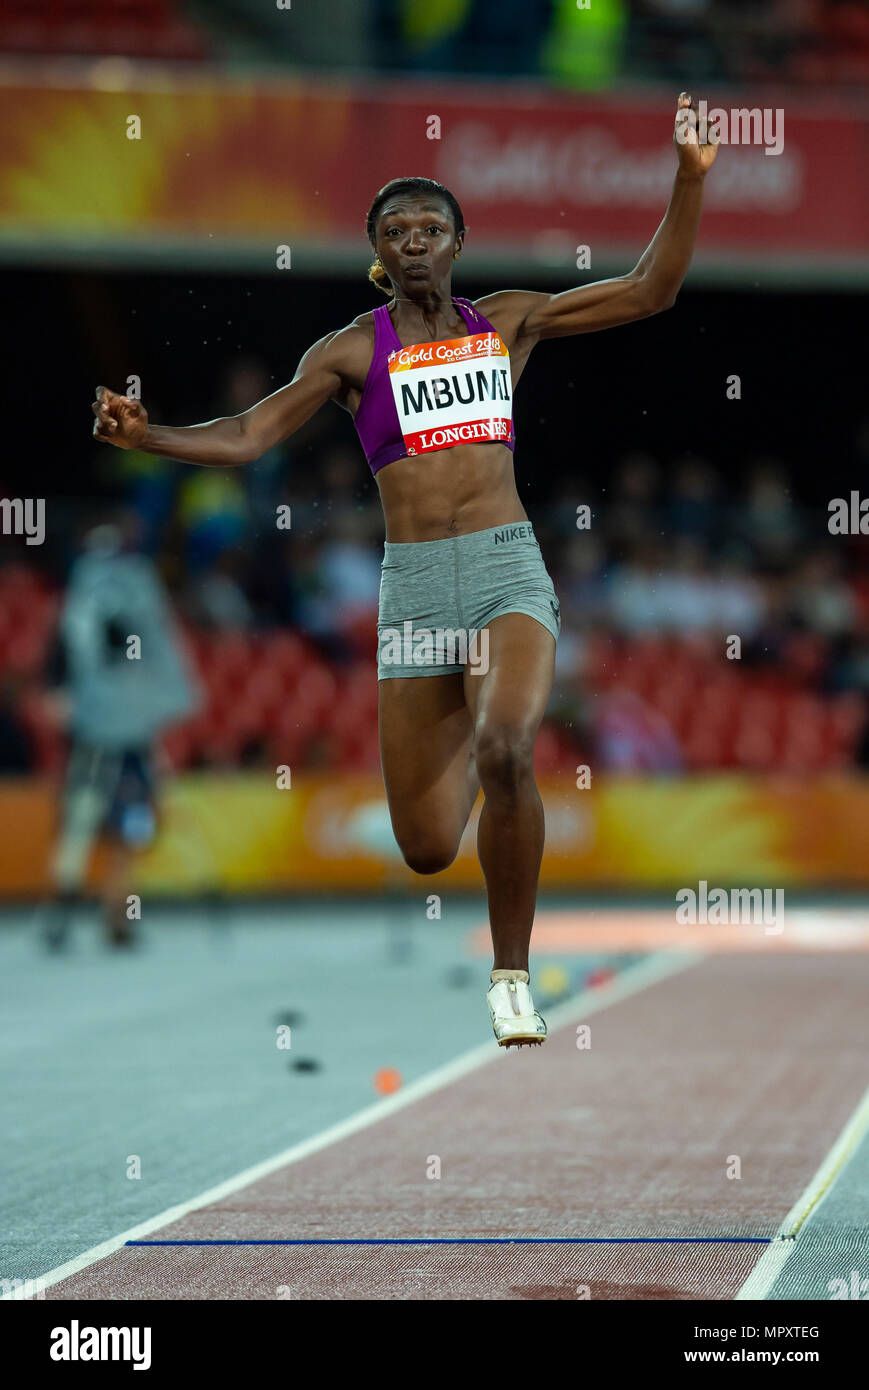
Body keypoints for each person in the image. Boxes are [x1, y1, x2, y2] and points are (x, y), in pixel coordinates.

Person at [92, 94, 718, 1043]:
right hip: (416, 590)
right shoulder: (349, 352)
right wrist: (153, 439)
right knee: (426, 848)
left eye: (432, 226)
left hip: (507, 568)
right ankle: (475, 718)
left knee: (511, 748)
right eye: (397, 230)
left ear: (458, 242)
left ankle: (512, 976)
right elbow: (249, 435)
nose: (416, 240)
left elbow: (647, 290)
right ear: (380, 255)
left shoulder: (507, 323)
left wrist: (688, 177)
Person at [42, 519, 197, 948]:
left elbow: (156, 663)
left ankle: (117, 913)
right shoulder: (79, 612)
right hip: (96, 739)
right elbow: (59, 667)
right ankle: (63, 906)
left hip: (130, 737)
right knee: (82, 822)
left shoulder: (133, 608)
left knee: (129, 828)